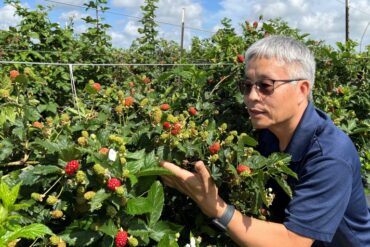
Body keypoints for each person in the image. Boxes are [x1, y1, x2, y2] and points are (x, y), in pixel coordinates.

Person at [160, 35, 370, 247]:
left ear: (302, 90)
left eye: (266, 86)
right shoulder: (269, 132)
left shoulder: (330, 154)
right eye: (247, 85)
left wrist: (216, 208)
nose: (251, 96)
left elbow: (293, 241)